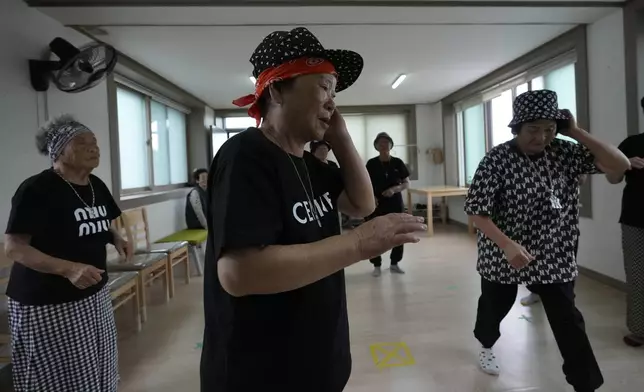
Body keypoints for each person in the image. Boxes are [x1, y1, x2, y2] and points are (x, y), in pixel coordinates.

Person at [200, 27, 426, 392]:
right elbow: (239, 273)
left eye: (334, 92)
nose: (331, 101)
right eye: (323, 87)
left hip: (318, 357)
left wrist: (341, 138)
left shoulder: (310, 163)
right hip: (262, 369)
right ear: (276, 90)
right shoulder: (246, 155)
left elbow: (362, 203)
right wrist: (359, 244)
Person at [465, 90, 630, 392]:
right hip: (504, 253)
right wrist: (507, 244)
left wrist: (576, 132)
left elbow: (619, 165)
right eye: (533, 130)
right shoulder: (496, 160)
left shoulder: (566, 152)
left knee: (568, 319)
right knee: (493, 306)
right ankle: (486, 344)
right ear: (517, 128)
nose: (541, 137)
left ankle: (585, 384)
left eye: (549, 129)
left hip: (554, 251)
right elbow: (477, 212)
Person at [4, 114, 130, 392]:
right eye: (82, 142)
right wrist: (69, 268)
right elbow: (14, 247)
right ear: (58, 150)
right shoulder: (37, 189)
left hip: (92, 294)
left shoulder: (96, 185)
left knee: (97, 368)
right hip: (47, 301)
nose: (93, 147)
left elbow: (96, 220)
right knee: (59, 379)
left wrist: (115, 237)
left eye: (94, 141)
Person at [605, 97, 644, 347]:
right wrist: (625, 164)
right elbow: (612, 177)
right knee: (638, 275)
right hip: (634, 219)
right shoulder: (632, 143)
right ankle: (639, 330)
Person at [520, 173, 587, 306]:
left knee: (567, 265)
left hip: (566, 227)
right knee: (534, 261)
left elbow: (581, 179)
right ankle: (535, 292)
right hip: (538, 225)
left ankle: (567, 296)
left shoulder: (570, 160)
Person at [365, 132, 410, 277]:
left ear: (391, 145)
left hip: (395, 203)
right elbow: (365, 184)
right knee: (374, 234)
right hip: (376, 204)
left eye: (386, 142)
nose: (383, 145)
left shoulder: (398, 163)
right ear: (376, 146)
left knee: (398, 232)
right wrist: (371, 197)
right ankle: (376, 264)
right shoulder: (371, 164)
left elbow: (406, 183)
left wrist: (394, 189)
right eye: (380, 143)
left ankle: (394, 263)